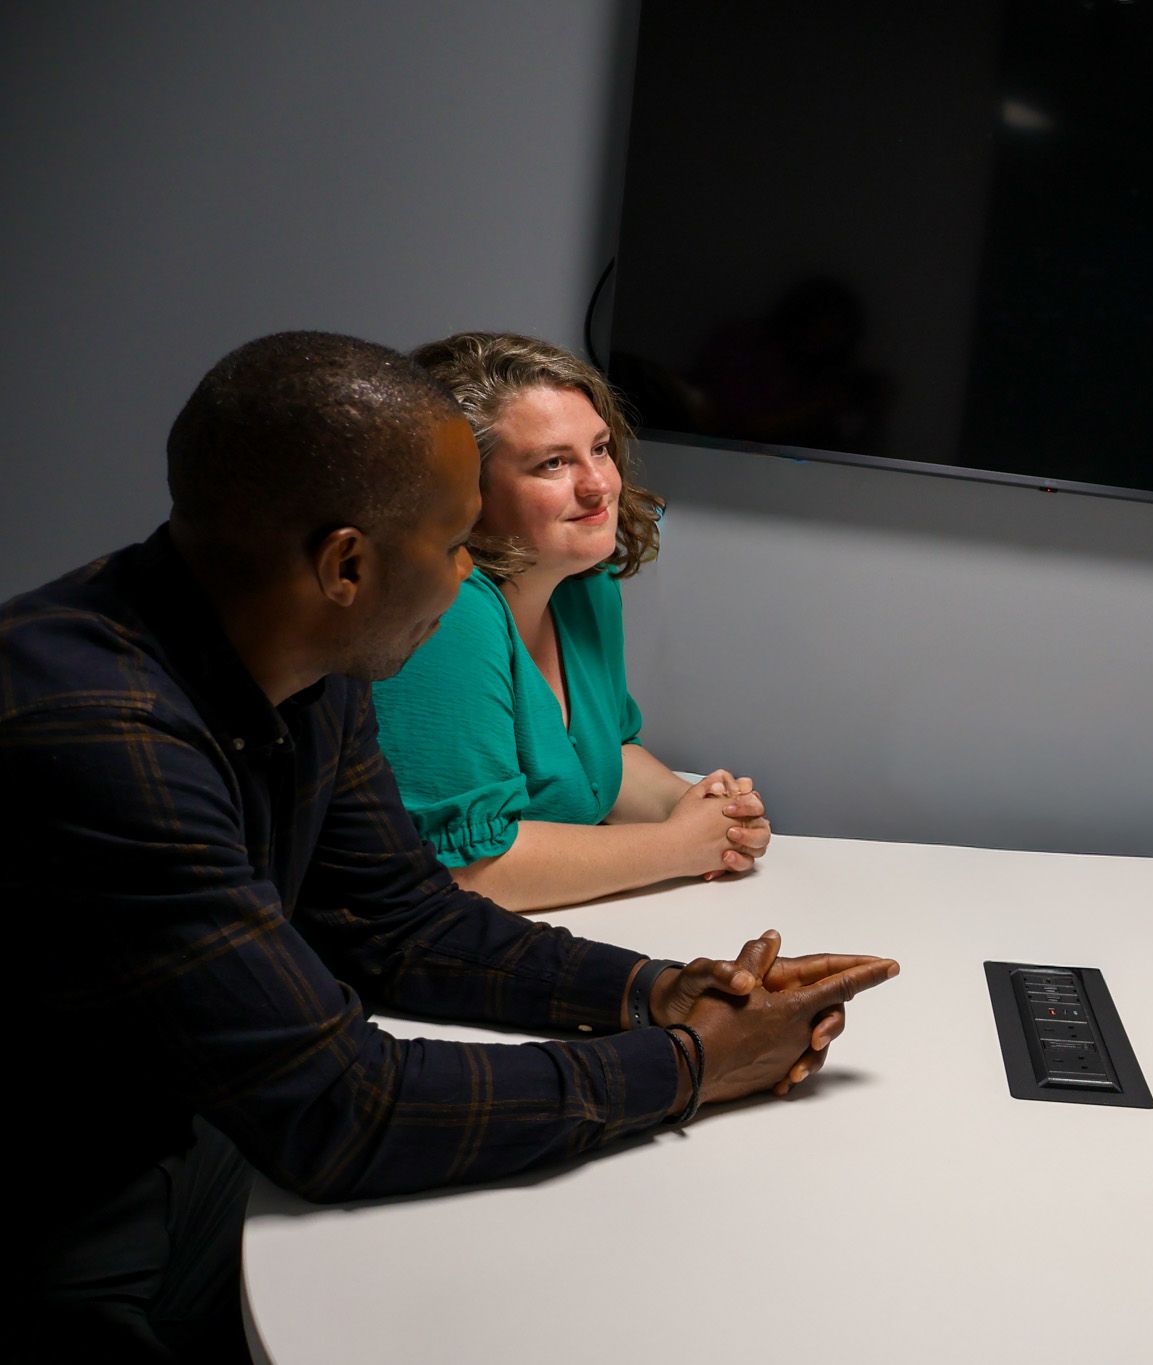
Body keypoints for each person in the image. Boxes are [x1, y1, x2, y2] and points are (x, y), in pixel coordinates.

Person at [6, 332, 899, 1362]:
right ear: (347, 564)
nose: (468, 573)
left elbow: (402, 922)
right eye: (451, 544)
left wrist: (664, 990)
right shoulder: (96, 734)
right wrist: (694, 1065)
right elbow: (344, 1110)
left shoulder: (307, 655)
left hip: (193, 1140)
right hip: (66, 1226)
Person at [372, 332, 763, 912]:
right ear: (464, 493)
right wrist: (676, 846)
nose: (598, 484)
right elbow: (473, 871)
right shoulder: (446, 613)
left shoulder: (584, 588)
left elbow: (603, 756)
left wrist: (707, 814)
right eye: (552, 463)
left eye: (600, 449)